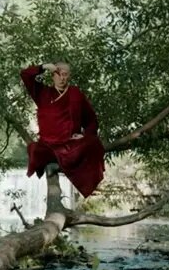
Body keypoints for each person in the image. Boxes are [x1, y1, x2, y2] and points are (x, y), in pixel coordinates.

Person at [19, 61, 106, 197]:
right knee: (35, 150)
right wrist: (45, 67)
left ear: (69, 76)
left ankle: (61, 161)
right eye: (58, 74)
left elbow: (91, 120)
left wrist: (84, 135)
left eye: (65, 74)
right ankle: (61, 161)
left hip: (70, 144)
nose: (62, 78)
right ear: (53, 76)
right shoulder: (42, 93)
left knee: (93, 142)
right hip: (47, 146)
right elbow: (25, 75)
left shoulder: (76, 94)